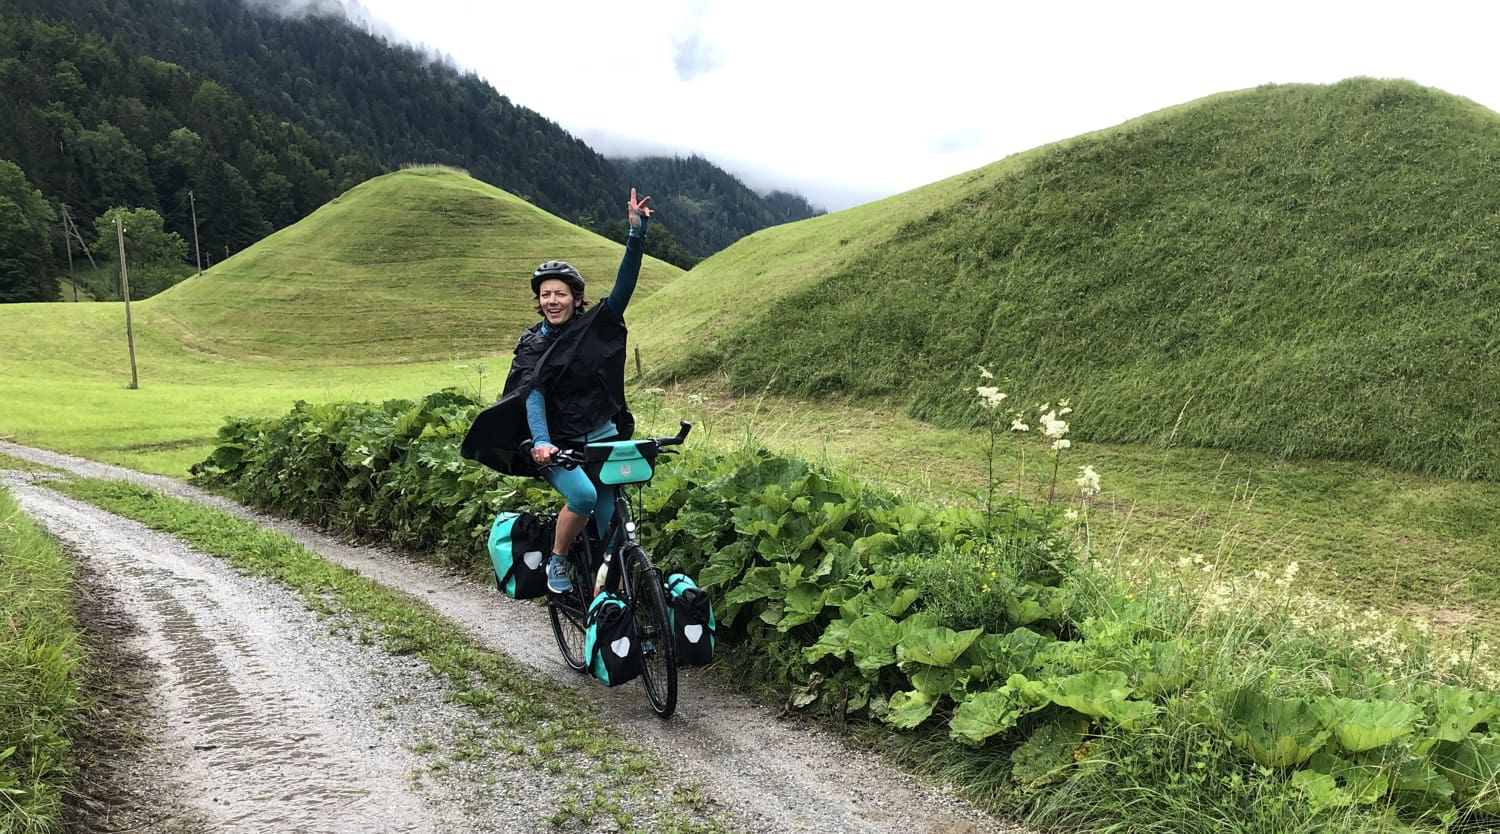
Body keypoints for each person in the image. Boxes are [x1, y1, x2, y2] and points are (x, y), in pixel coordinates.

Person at [491, 188, 652, 593]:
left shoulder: (593, 326)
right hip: (557, 446)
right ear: (539, 300)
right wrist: (541, 441)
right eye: (545, 294)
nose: (552, 300)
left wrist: (636, 237)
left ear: (575, 298)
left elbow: (622, 291)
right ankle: (559, 561)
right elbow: (532, 394)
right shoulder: (533, 344)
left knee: (612, 529)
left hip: (603, 439)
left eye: (559, 293)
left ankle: (608, 605)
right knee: (581, 495)